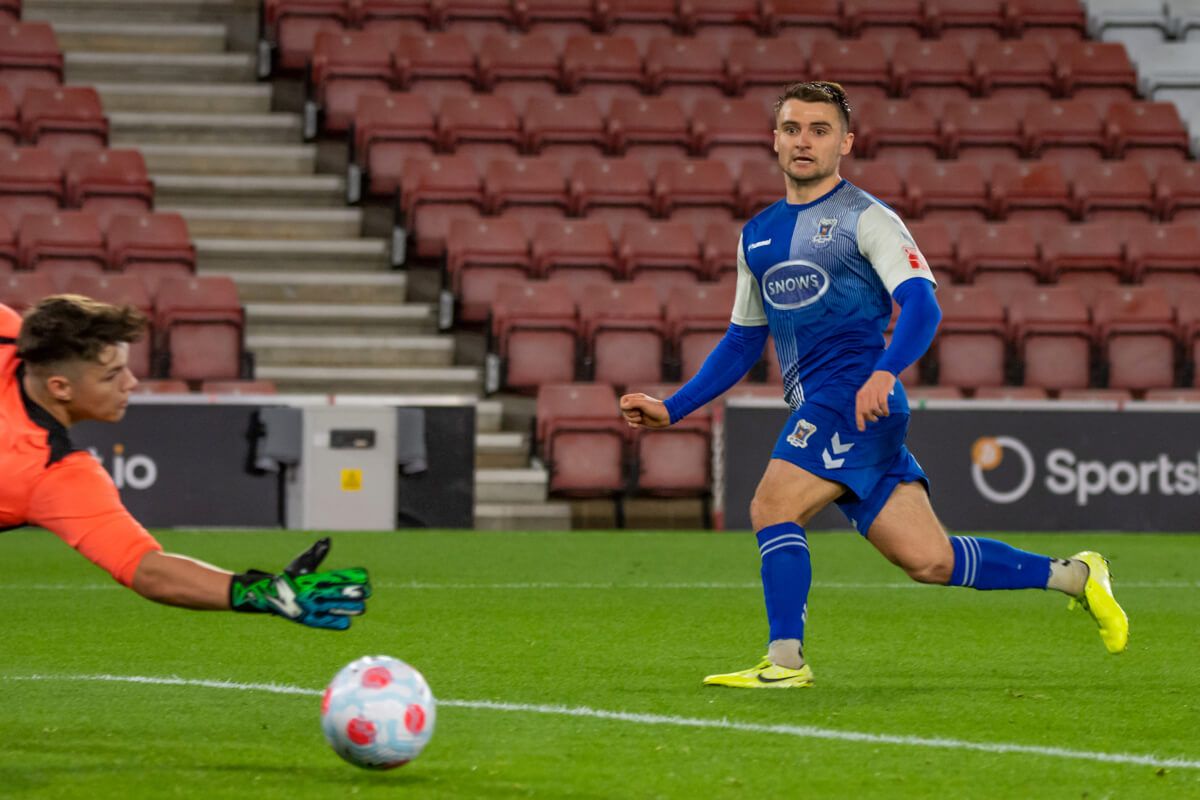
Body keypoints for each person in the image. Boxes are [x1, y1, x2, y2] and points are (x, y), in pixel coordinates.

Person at [618, 81, 1128, 688]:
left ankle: (785, 662)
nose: (803, 141)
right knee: (930, 560)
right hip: (841, 407)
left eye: (820, 130)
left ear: (847, 143)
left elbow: (921, 307)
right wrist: (673, 409)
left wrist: (885, 371)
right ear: (775, 139)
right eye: (792, 128)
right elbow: (742, 341)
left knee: (771, 506)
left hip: (856, 398)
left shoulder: (868, 218)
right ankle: (1076, 576)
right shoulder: (756, 235)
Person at [1, 294, 370, 630]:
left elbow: (149, 568)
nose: (131, 383)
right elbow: (149, 573)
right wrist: (269, 593)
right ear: (60, 387)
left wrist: (264, 591)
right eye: (112, 376)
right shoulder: (48, 473)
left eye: (125, 367)